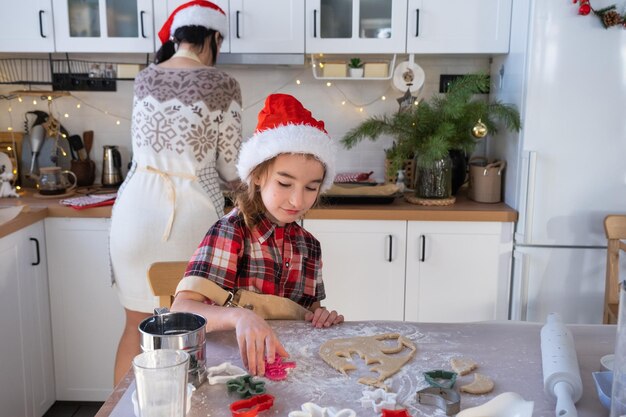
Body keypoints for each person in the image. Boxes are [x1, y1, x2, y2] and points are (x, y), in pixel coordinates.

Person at [109, 0, 242, 385]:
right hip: (191, 217)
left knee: (136, 327)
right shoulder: (223, 84)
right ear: (214, 37)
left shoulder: (145, 78)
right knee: (196, 330)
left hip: (133, 213)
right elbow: (231, 169)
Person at [171, 94, 344, 377]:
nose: (297, 200)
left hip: (288, 369)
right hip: (229, 369)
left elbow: (309, 312)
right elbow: (183, 309)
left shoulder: (309, 246)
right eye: (285, 183)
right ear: (258, 175)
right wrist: (240, 315)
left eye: (311, 188)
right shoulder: (232, 232)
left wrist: (320, 317)